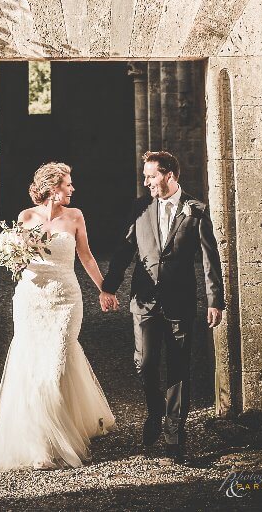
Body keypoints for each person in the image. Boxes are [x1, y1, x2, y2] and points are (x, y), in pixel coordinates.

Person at [0, 162, 115, 471]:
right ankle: (39, 444)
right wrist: (14, 254)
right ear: (52, 188)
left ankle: (57, 435)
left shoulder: (75, 217)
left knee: (55, 363)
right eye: (67, 184)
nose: (72, 189)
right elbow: (17, 262)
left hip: (66, 299)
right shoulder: (25, 218)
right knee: (33, 364)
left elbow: (86, 255)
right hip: (31, 299)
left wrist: (105, 290)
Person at [100, 150, 224, 462]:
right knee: (145, 363)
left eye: (151, 176)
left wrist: (215, 301)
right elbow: (125, 249)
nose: (146, 182)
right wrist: (108, 286)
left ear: (169, 175)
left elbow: (210, 260)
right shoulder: (141, 207)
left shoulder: (196, 211)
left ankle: (174, 431)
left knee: (179, 365)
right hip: (143, 300)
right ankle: (156, 411)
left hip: (180, 300)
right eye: (146, 177)